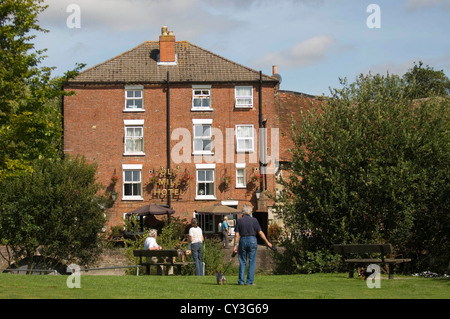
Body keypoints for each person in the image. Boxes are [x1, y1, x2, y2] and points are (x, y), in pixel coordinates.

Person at [233, 205, 272, 285]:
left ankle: (241, 281)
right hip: (252, 240)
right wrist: (267, 242)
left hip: (243, 240)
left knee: (242, 261)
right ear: (250, 212)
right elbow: (260, 232)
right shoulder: (254, 220)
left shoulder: (239, 221)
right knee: (252, 261)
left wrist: (235, 245)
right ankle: (249, 281)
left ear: (242, 212)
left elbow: (237, 235)